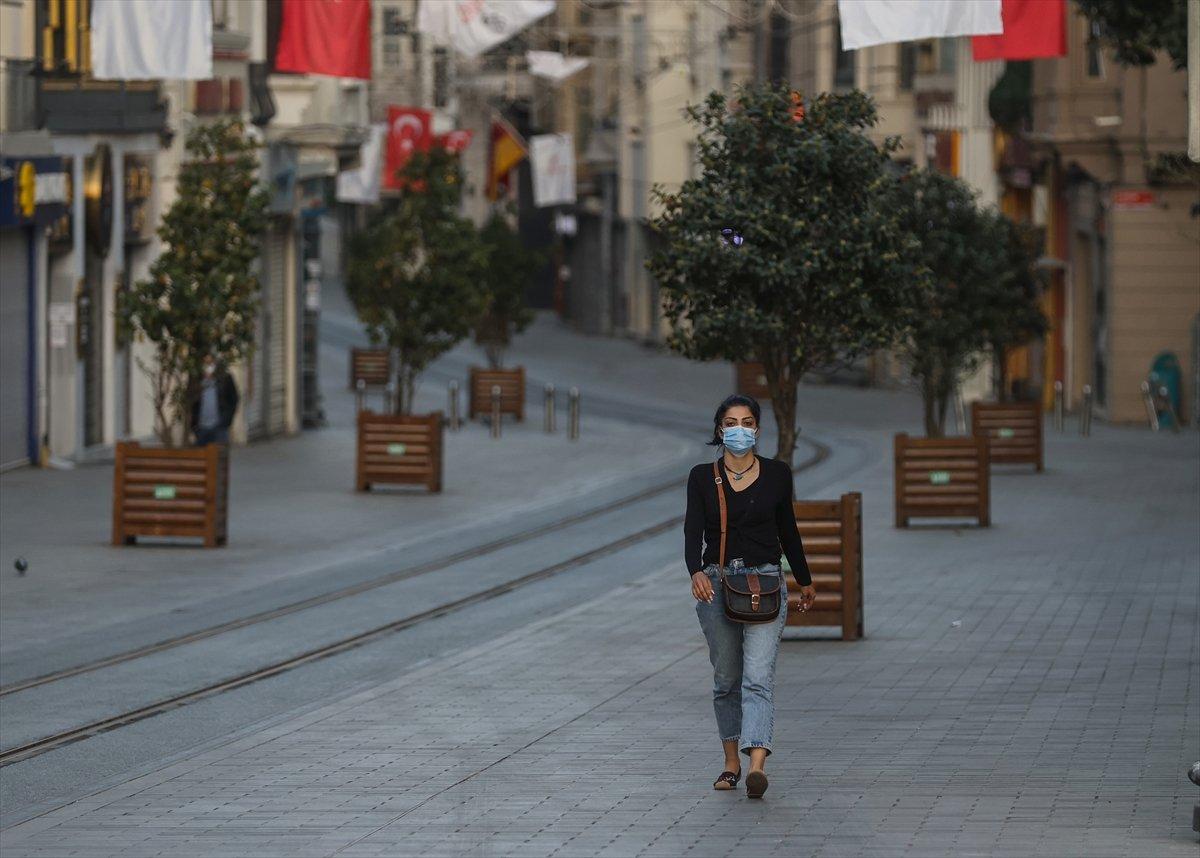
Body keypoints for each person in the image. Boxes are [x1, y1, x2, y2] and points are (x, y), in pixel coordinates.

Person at [685, 394, 816, 799]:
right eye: (730, 422)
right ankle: (730, 763)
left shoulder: (778, 474)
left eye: (746, 422)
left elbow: (788, 529)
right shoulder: (702, 477)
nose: (738, 429)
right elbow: (692, 530)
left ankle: (757, 765)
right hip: (718, 583)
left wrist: (804, 579)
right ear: (719, 429)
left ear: (757, 429)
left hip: (766, 584)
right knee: (727, 679)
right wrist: (695, 571)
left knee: (758, 678)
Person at [190, 354, 239, 446]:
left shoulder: (225, 378)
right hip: (201, 428)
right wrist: (194, 426)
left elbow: (234, 399)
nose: (208, 368)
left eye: (210, 364)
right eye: (205, 364)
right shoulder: (197, 380)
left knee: (220, 457)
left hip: (219, 427)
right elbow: (192, 402)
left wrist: (226, 421)